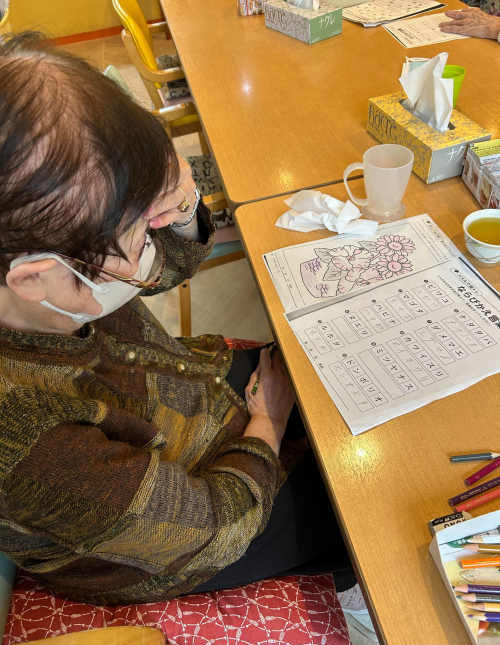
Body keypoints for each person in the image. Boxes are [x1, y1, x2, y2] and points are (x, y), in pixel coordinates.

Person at [0, 32, 356, 608]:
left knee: (332, 373)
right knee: (357, 507)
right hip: (169, 539)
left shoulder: (48, 264)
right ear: (36, 278)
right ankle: (339, 575)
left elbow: (165, 265)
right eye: (138, 237)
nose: (150, 251)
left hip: (183, 390)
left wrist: (181, 203)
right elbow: (214, 526)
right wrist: (267, 423)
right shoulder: (28, 441)